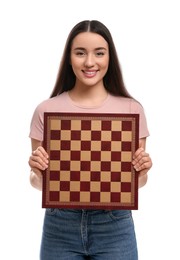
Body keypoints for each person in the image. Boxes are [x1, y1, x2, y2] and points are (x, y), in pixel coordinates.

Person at [28, 20, 152, 260]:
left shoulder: (131, 110)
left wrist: (142, 171)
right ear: (69, 57)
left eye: (99, 53)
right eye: (80, 53)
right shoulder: (46, 110)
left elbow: (137, 183)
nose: (89, 62)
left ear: (109, 57)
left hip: (115, 225)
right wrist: (38, 172)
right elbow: (37, 183)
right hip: (60, 225)